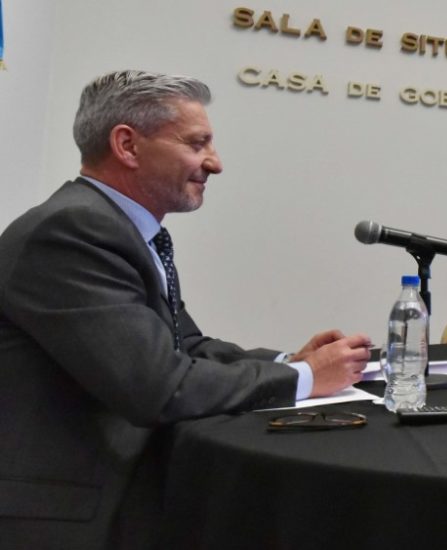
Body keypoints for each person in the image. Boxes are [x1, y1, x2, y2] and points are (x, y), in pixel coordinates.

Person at [0, 70, 372, 549]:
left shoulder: (115, 226)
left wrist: (287, 362)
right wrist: (303, 380)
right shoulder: (73, 232)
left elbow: (185, 344)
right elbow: (158, 387)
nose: (214, 163)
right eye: (197, 144)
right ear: (127, 146)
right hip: (66, 515)